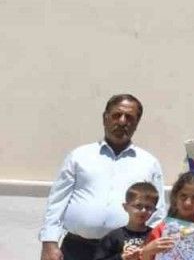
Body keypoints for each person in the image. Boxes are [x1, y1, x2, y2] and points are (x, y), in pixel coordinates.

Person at [42, 94, 166, 260]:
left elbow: (158, 212)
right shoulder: (79, 156)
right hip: (77, 249)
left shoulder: (149, 163)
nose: (122, 121)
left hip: (125, 252)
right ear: (105, 118)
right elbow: (57, 202)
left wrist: (148, 249)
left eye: (129, 117)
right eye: (116, 115)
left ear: (137, 123)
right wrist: (49, 242)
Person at [92, 181, 157, 260]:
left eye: (148, 207)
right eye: (138, 205)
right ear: (125, 207)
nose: (143, 210)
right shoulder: (113, 237)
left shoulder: (155, 236)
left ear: (154, 210)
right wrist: (122, 257)